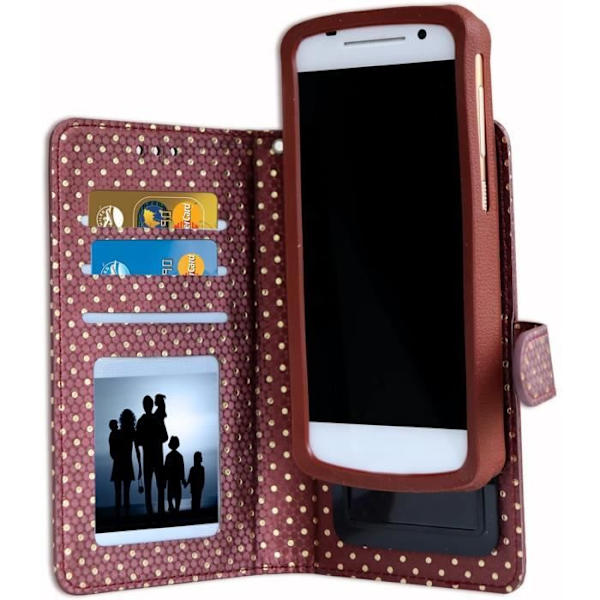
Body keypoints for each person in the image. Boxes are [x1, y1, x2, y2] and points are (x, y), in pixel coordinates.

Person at [135, 395, 168, 514]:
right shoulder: (156, 419)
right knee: (159, 487)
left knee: (149, 487)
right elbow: (165, 437)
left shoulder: (141, 421)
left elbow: (138, 442)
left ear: (144, 406)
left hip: (148, 458)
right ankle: (160, 512)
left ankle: (151, 512)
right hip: (157, 457)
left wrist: (145, 440)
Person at [109, 410, 140, 513]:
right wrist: (140, 466)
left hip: (118, 464)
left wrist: (116, 457)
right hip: (127, 465)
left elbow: (112, 452)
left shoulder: (117, 433)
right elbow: (137, 450)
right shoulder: (132, 433)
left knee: (118, 493)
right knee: (126, 493)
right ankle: (126, 514)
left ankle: (118, 515)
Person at [163, 436, 186, 512]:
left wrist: (164, 482)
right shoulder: (179, 456)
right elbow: (182, 470)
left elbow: (165, 470)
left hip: (171, 480)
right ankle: (175, 509)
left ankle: (172, 508)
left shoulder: (168, 456)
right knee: (177, 498)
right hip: (176, 480)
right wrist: (183, 480)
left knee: (170, 498)